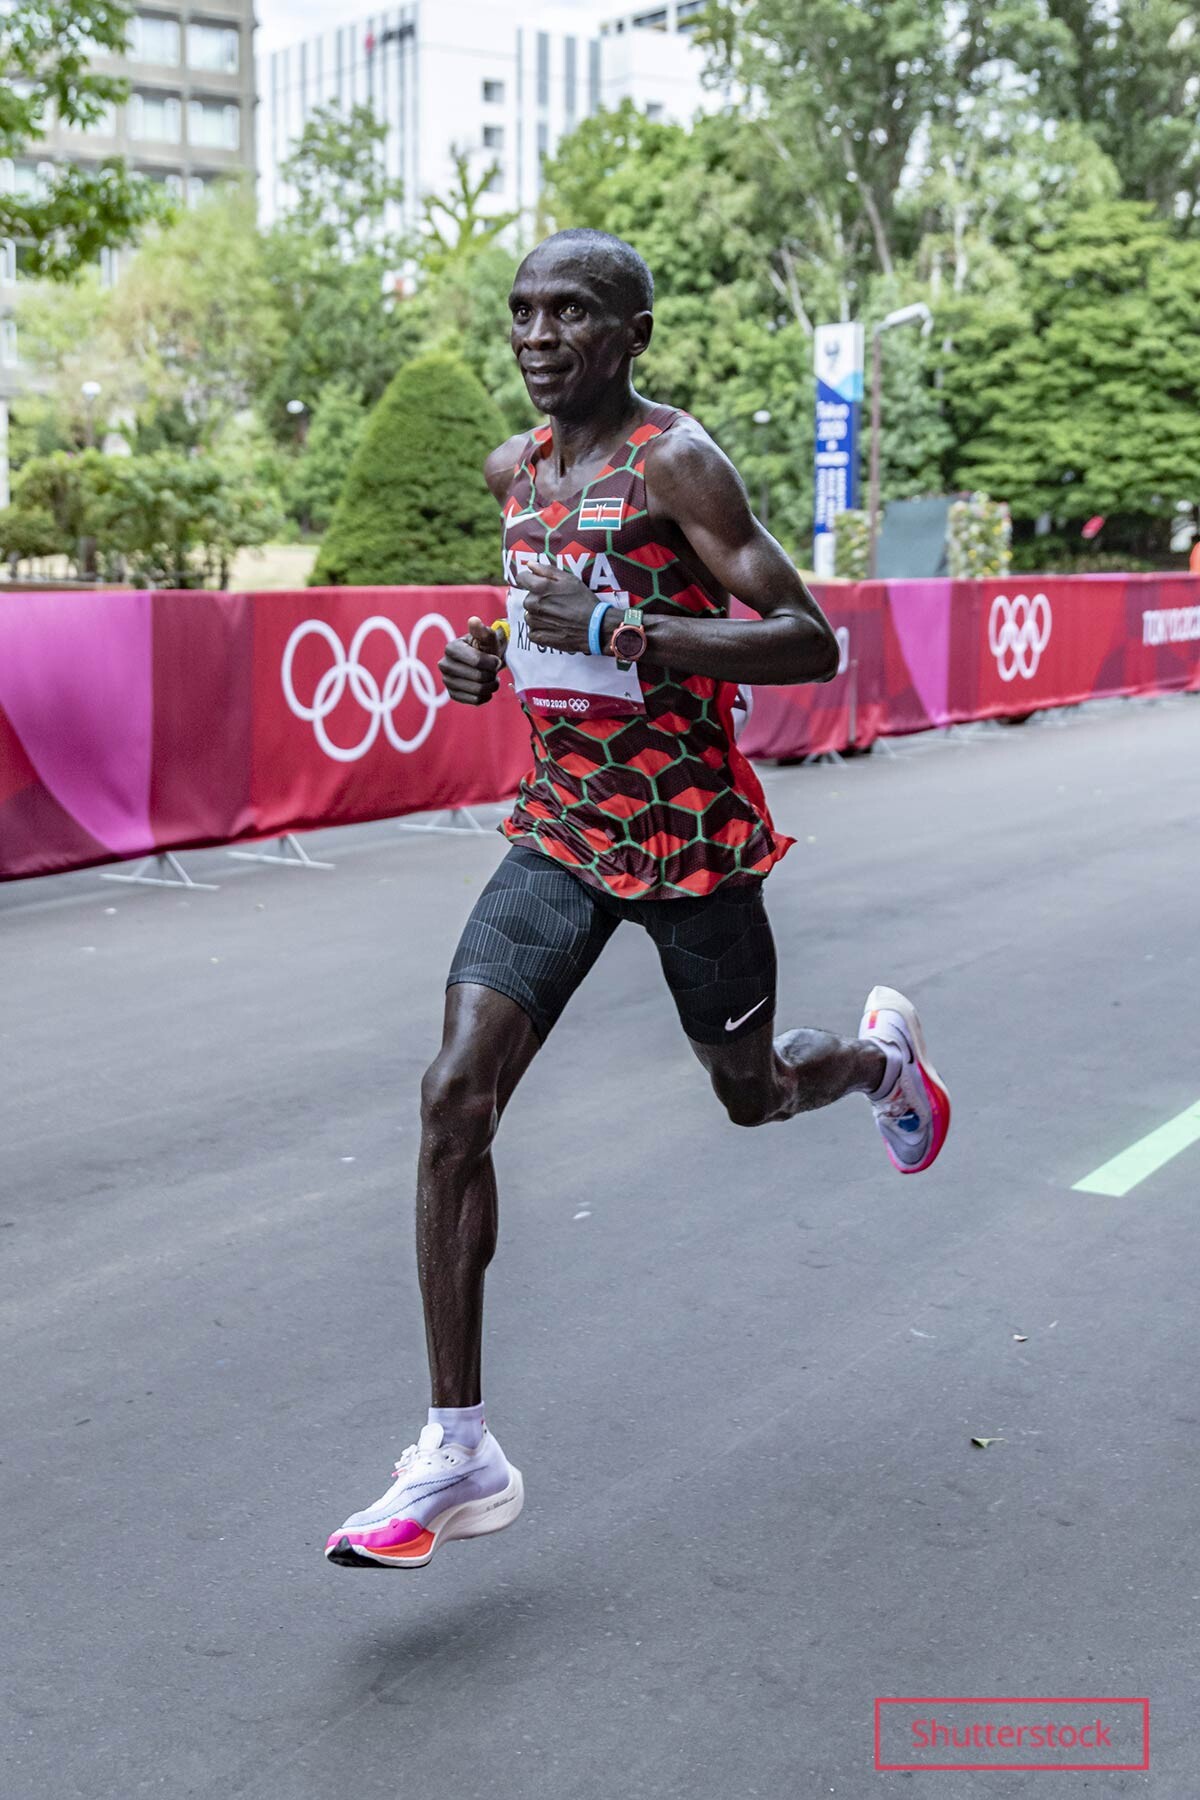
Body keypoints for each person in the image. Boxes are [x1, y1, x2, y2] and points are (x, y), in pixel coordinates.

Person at [325, 229, 950, 1570]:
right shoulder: (514, 468)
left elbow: (806, 640)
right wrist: (484, 657)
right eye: (522, 312)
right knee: (454, 1097)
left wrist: (633, 635)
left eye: (570, 312)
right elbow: (536, 615)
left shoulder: (678, 463)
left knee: (751, 1095)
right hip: (560, 826)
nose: (537, 336)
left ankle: (880, 1062)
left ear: (630, 334)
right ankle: (457, 1447)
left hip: (688, 837)